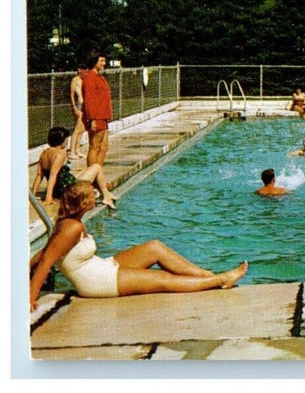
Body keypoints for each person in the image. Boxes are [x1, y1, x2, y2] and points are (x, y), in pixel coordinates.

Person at [29, 181, 248, 310]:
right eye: (93, 194)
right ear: (85, 203)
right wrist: (30, 297)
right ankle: (220, 280)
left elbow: (42, 253)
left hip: (101, 267)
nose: (98, 195)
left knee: (154, 247)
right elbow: (47, 260)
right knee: (163, 280)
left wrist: (23, 269)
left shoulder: (69, 222)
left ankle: (205, 275)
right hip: (96, 282)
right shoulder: (71, 228)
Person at [31, 126, 114, 208]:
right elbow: (53, 174)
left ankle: (103, 192)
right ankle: (106, 196)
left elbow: (39, 176)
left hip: (59, 190)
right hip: (69, 190)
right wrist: (48, 198)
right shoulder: (60, 153)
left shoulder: (44, 153)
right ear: (62, 140)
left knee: (89, 169)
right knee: (97, 167)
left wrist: (32, 197)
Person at [80, 52, 117, 208]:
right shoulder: (90, 78)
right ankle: (91, 181)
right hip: (96, 116)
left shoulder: (98, 76)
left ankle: (98, 178)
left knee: (103, 147)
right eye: (102, 61)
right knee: (94, 147)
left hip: (103, 116)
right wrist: (92, 118)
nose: (104, 63)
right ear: (94, 61)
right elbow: (89, 99)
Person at [69, 65, 87, 159]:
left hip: (85, 106)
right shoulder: (75, 80)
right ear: (79, 70)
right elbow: (72, 95)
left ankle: (77, 150)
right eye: (84, 71)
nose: (85, 73)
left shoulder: (84, 80)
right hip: (79, 105)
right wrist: (74, 107)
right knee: (77, 129)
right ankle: (72, 152)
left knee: (82, 129)